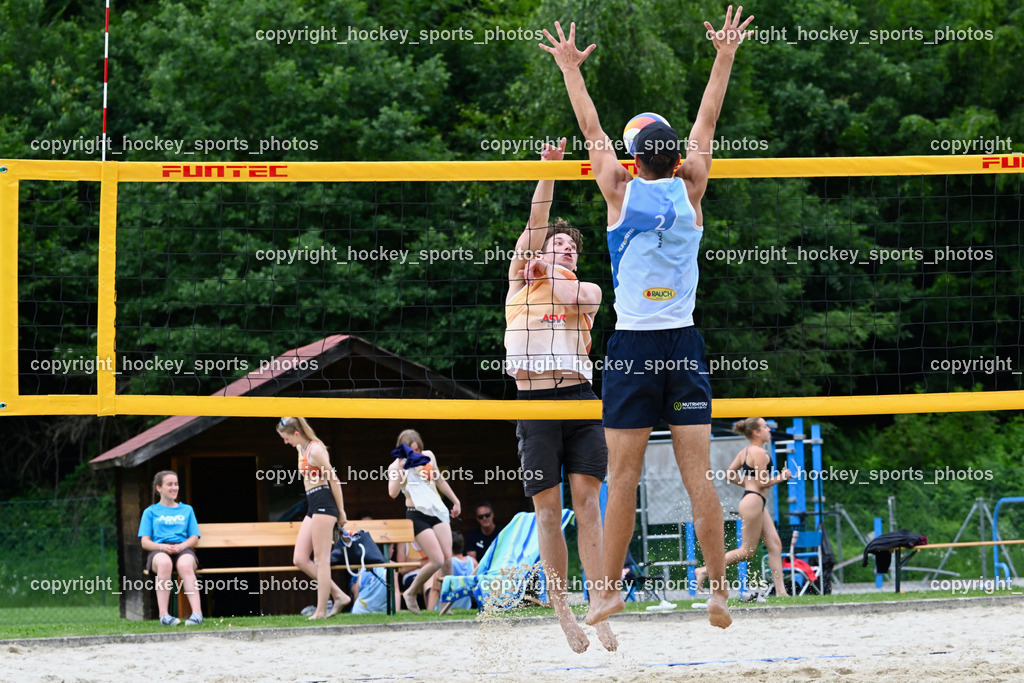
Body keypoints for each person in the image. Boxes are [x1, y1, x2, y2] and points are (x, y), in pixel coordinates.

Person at [540, 7, 755, 631]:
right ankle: (718, 592)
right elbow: (708, 119)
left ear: (634, 161)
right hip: (682, 343)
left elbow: (589, 125)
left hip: (634, 346)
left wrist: (570, 68)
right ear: (677, 158)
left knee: (623, 478)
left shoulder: (617, 188)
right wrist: (724, 54)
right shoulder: (693, 191)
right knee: (699, 479)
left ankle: (607, 596)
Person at [503, 138, 614, 653]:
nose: (566, 248)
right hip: (535, 402)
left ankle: (600, 602)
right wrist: (548, 170)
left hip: (579, 398)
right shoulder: (519, 285)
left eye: (573, 247)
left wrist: (556, 270)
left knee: (589, 504)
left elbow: (573, 292)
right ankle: (563, 610)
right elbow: (536, 220)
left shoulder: (587, 291)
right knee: (548, 512)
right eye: (558, 245)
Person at [695, 418, 792, 598]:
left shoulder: (746, 451)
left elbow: (730, 474)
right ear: (756, 432)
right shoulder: (760, 453)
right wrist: (782, 476)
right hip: (754, 501)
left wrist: (748, 486)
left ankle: (781, 592)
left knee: (775, 544)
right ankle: (704, 570)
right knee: (746, 551)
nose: (768, 430)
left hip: (752, 500)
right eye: (765, 427)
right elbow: (763, 483)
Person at [276, 416, 350, 619]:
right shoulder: (301, 449)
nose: (285, 442)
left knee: (321, 559)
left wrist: (341, 512)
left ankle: (320, 611)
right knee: (300, 558)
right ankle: (339, 595)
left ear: (297, 434)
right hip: (312, 502)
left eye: (286, 438)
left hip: (325, 502)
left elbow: (333, 480)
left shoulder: (316, 450)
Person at [387, 429, 461, 615]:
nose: (416, 454)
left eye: (418, 449)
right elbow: (393, 493)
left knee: (447, 560)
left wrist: (455, 500)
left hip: (436, 510)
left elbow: (438, 480)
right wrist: (402, 468)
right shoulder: (396, 466)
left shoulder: (428, 457)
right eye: (412, 451)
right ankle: (411, 593)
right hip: (416, 514)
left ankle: (446, 605)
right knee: (435, 560)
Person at [138, 470, 203, 626]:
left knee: (185, 564)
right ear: (159, 488)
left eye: (176, 484)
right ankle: (164, 616)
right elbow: (145, 542)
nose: (174, 488)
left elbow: (194, 537)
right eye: (170, 484)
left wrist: (182, 546)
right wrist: (162, 547)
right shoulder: (150, 512)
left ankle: (197, 614)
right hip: (159, 550)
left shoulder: (187, 510)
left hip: (183, 548)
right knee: (165, 563)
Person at [427, 531, 478, 612]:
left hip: (445, 607)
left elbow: (435, 590)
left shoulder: (446, 564)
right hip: (465, 607)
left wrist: (429, 612)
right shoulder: (472, 562)